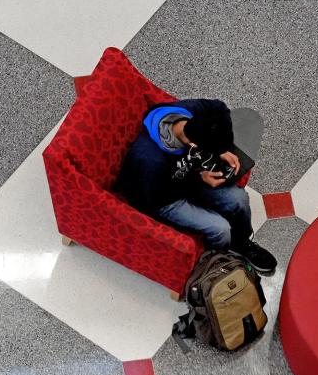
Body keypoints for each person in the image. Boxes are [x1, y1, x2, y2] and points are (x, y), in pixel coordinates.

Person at [116, 98, 277, 274]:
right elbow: (156, 199)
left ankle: (242, 243)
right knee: (220, 228)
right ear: (194, 145)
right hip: (162, 198)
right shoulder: (150, 159)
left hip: (188, 176)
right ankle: (218, 259)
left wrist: (222, 148)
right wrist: (201, 178)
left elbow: (220, 107)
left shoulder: (192, 111)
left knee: (239, 199)